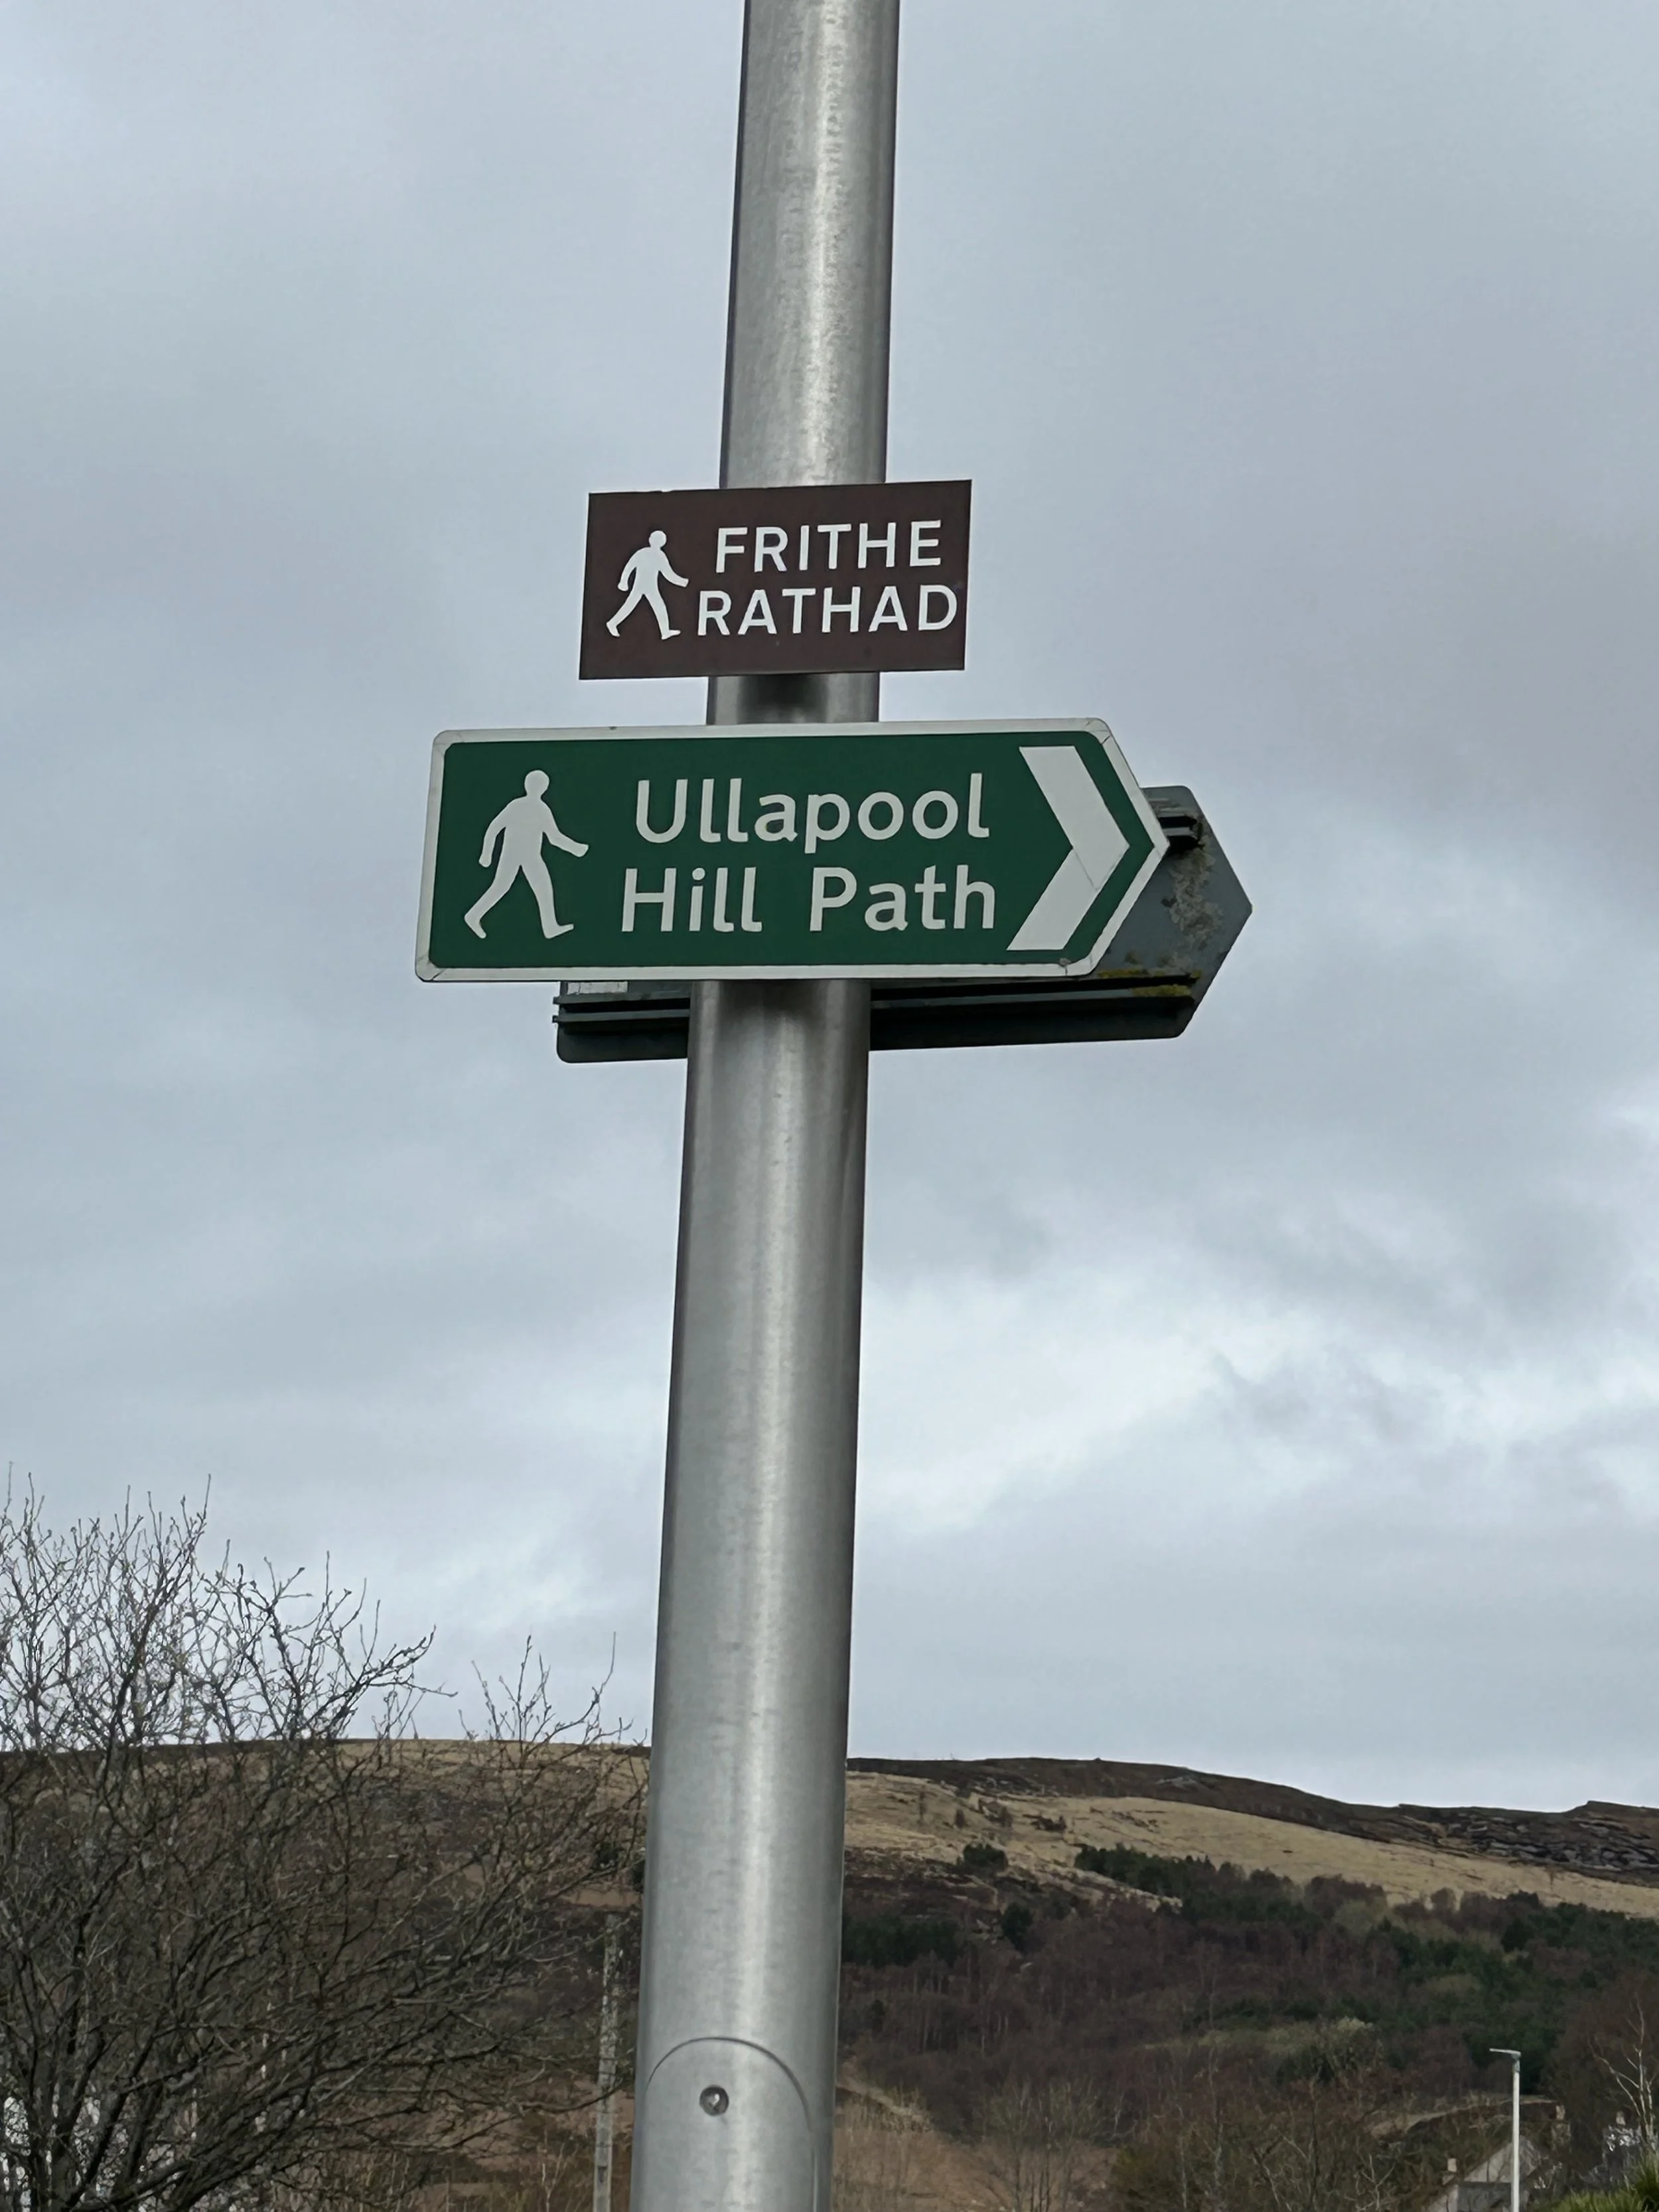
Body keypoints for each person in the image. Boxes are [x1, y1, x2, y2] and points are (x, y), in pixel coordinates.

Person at [465, 769, 588, 940]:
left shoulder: (533, 807)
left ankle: (550, 927)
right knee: (503, 887)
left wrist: (576, 848)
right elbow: (495, 827)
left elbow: (553, 837)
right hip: (515, 855)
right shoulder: (527, 807)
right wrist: (486, 855)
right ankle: (473, 916)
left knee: (541, 887)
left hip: (529, 856)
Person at [607, 530, 687, 640]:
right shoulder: (645, 553)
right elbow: (630, 566)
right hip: (642, 586)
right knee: (632, 606)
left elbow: (668, 573)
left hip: (650, 587)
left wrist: (682, 582)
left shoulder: (658, 555)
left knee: (658, 607)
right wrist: (623, 581)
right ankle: (612, 623)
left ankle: (665, 632)